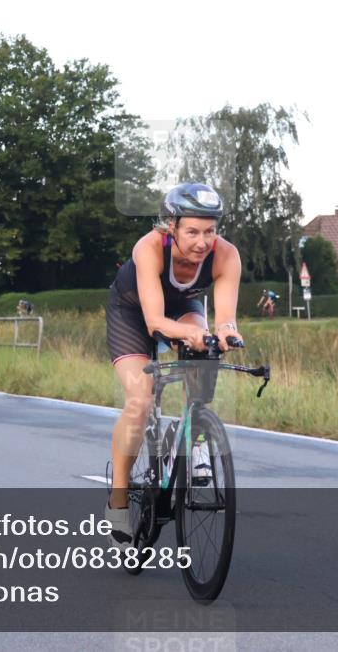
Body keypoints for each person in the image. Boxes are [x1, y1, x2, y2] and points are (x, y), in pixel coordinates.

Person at [104, 182, 243, 549]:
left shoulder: (226, 256)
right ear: (171, 227)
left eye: (210, 231)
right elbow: (154, 321)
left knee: (204, 347)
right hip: (133, 313)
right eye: (193, 232)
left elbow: (225, 317)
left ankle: (196, 435)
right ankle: (118, 500)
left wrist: (226, 334)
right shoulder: (149, 247)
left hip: (184, 308)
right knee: (140, 400)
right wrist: (188, 335)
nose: (202, 242)